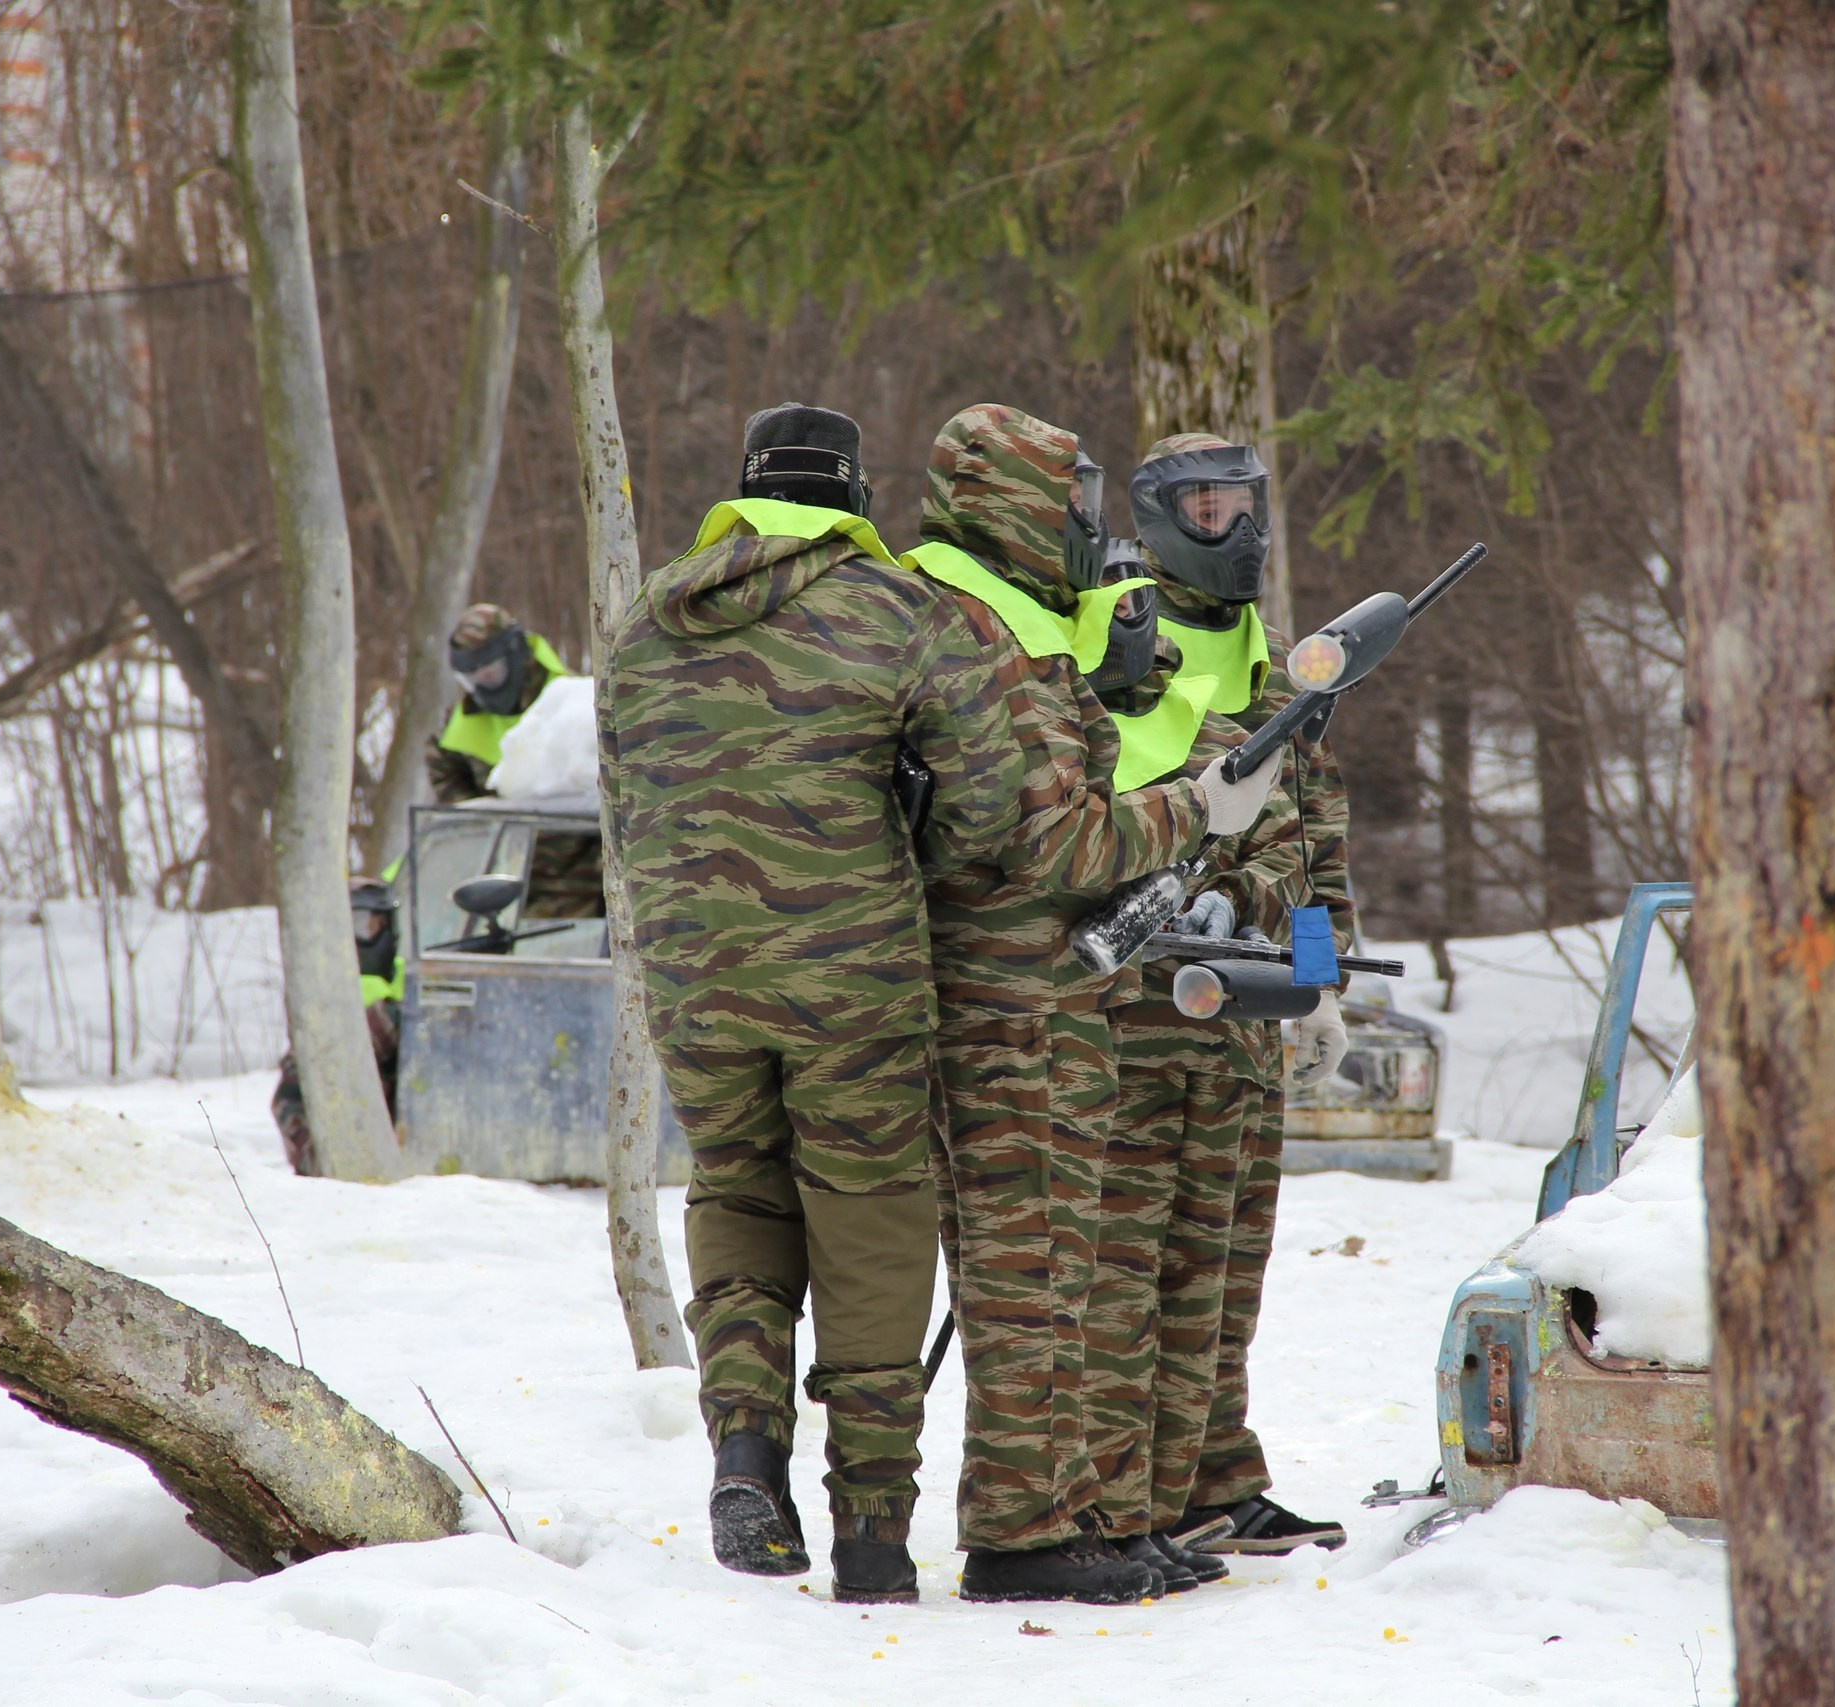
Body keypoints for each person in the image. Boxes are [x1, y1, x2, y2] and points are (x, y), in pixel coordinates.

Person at [601, 403, 1070, 1605]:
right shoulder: (900, 613)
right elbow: (986, 813)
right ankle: (869, 1530)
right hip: (852, 980)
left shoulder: (643, 622)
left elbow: (629, 798)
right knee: (869, 1225)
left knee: (737, 1196)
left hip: (693, 979)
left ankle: (745, 1455)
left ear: (746, 489)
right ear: (854, 495)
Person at [901, 405, 1283, 1604]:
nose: (1083, 521)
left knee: (1065, 1280)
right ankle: (1023, 1533)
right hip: (1011, 1006)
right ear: (1012, 503)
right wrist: (1197, 811)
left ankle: (1080, 1518)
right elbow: (1056, 843)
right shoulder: (978, 631)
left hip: (1050, 1001)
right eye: (1066, 498)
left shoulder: (1006, 621)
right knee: (1036, 1281)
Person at [1124, 433, 1356, 1557]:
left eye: (1249, 504)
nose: (1241, 529)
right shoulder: (1121, 644)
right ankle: (1138, 1492)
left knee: (1227, 1266)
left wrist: (1321, 979)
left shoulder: (1281, 666)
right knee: (1145, 1271)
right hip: (1144, 1018)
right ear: (1160, 518)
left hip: (1254, 1021)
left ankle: (1216, 1477)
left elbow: (1313, 848)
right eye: (1212, 509)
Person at [425, 605, 600, 919]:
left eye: (491, 674)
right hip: (502, 871)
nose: (483, 685)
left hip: (576, 876)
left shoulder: (569, 703)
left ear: (515, 655)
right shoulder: (461, 723)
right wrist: (485, 816)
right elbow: (447, 777)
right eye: (472, 679)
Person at [269, 876, 403, 1176]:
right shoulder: (328, 1001)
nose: (371, 935)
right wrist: (329, 1168)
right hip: (354, 1169)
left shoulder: (409, 989)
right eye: (361, 925)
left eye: (378, 924)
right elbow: (290, 1098)